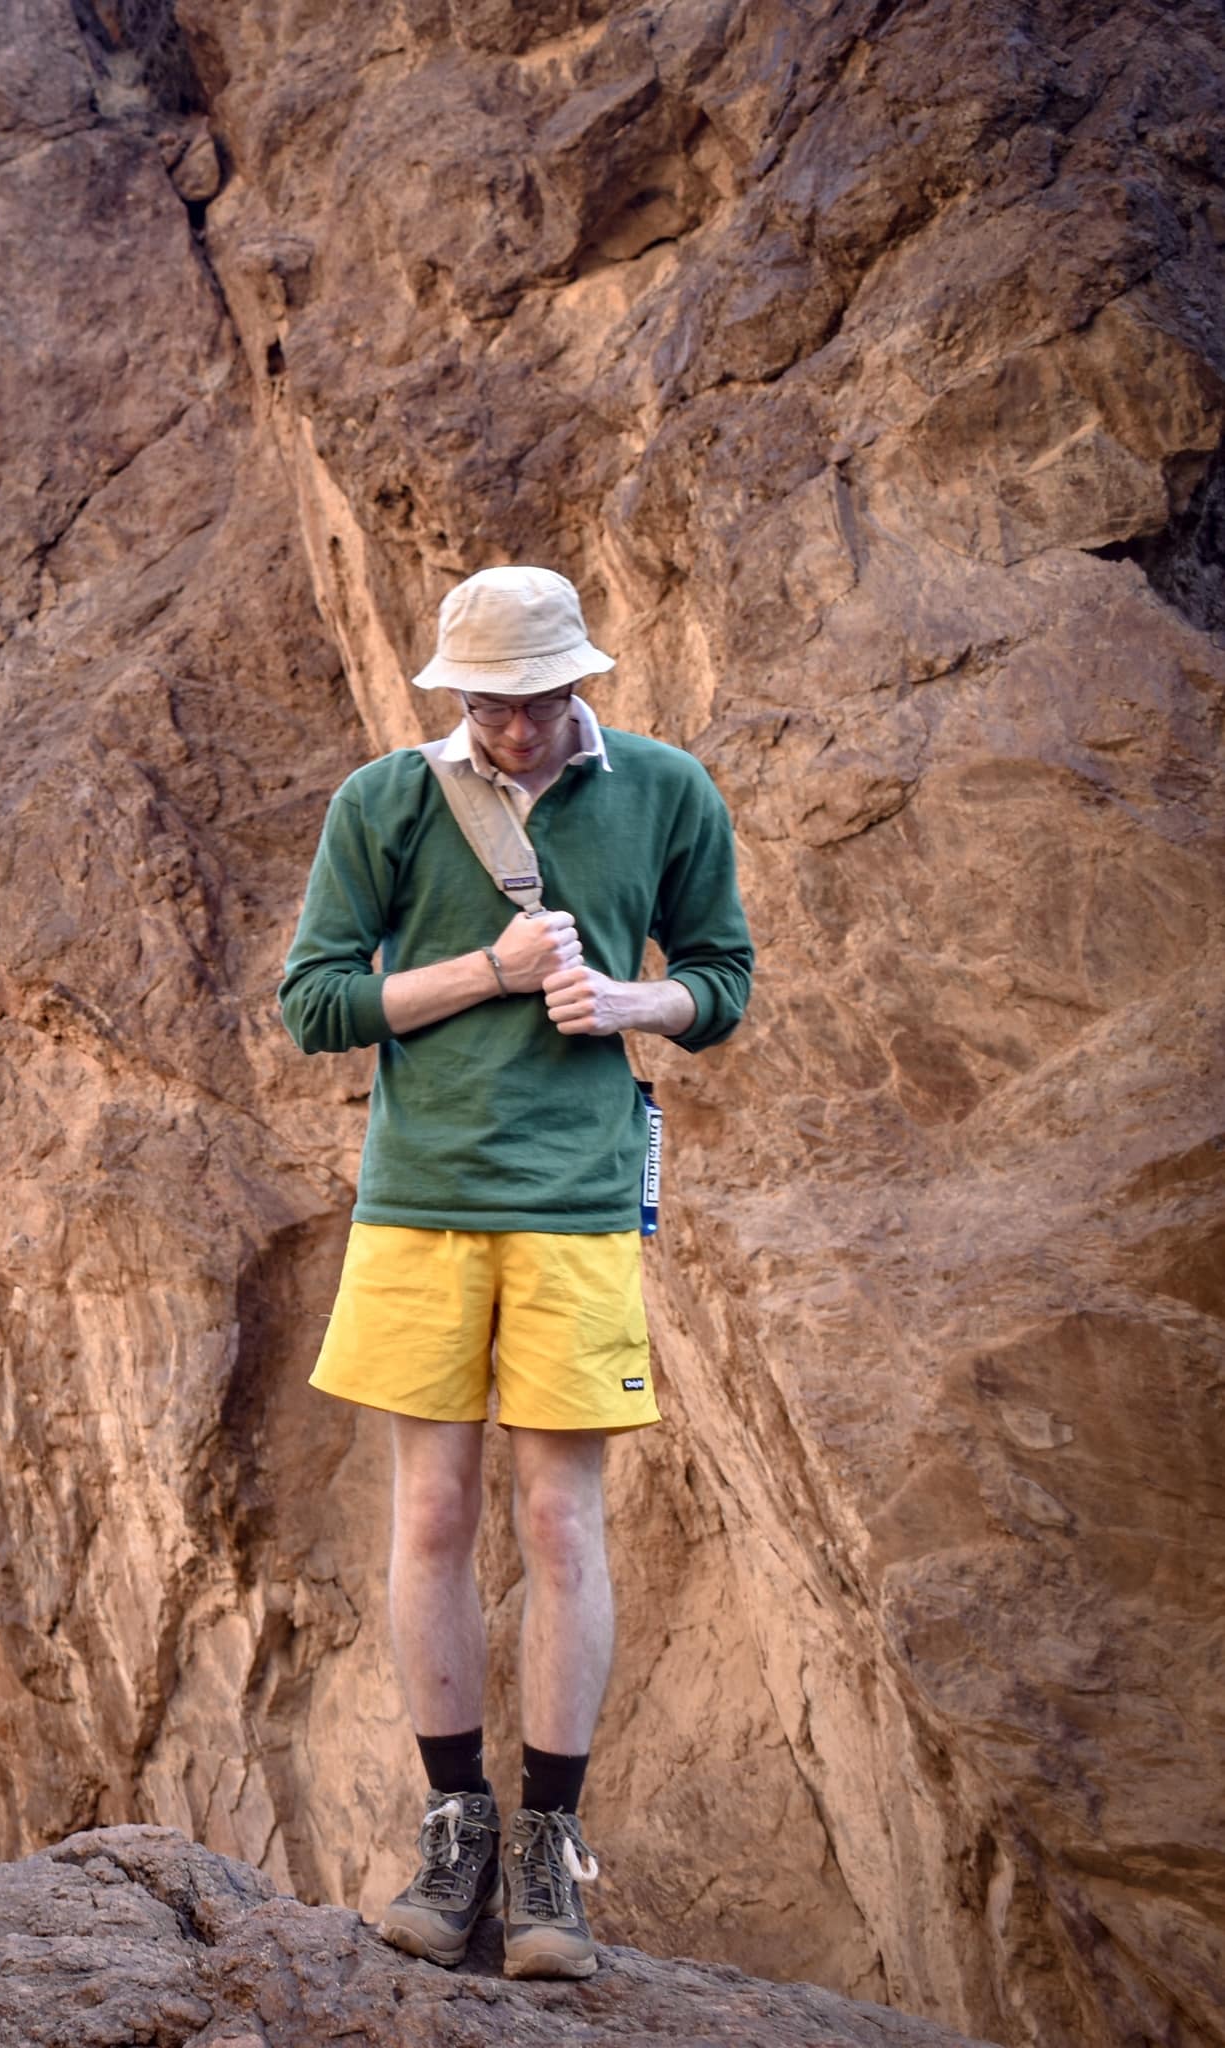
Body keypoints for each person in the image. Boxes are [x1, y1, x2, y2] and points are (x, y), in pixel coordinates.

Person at [278, 564, 753, 1980]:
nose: (512, 731)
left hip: (580, 1204)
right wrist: (486, 972)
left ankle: (551, 1853)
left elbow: (721, 978)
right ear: (452, 692)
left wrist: (630, 1000)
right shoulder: (385, 800)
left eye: (535, 702)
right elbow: (315, 1003)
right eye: (484, 705)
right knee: (431, 1510)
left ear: (577, 683)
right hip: (418, 1199)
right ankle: (454, 1827)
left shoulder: (667, 792)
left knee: (562, 1524)